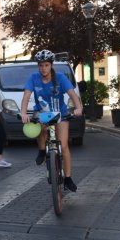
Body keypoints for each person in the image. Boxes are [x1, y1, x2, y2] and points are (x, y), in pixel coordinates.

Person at [20, 49, 83, 192]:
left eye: (46, 65)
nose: (43, 68)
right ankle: (42, 150)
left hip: (60, 113)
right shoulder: (33, 78)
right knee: (37, 126)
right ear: (38, 66)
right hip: (42, 112)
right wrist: (23, 113)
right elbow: (26, 96)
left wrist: (78, 108)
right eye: (41, 65)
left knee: (64, 145)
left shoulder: (60, 77)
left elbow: (72, 94)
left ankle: (68, 178)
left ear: (51, 65)